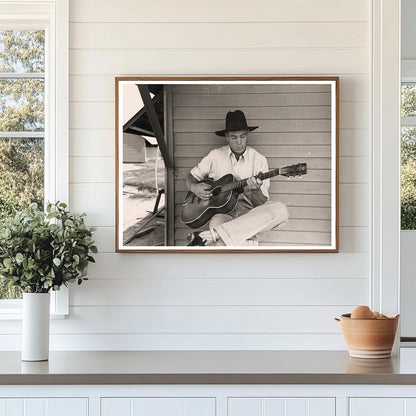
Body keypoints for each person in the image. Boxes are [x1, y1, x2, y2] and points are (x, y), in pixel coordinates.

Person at [185, 110, 289, 246]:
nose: (239, 142)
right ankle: (219, 234)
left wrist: (255, 190)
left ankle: (213, 235)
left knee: (281, 210)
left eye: (243, 136)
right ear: (227, 137)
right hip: (222, 214)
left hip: (249, 214)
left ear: (247, 135)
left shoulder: (259, 160)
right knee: (226, 245)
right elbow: (191, 177)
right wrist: (194, 187)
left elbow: (261, 204)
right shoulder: (215, 155)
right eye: (234, 138)